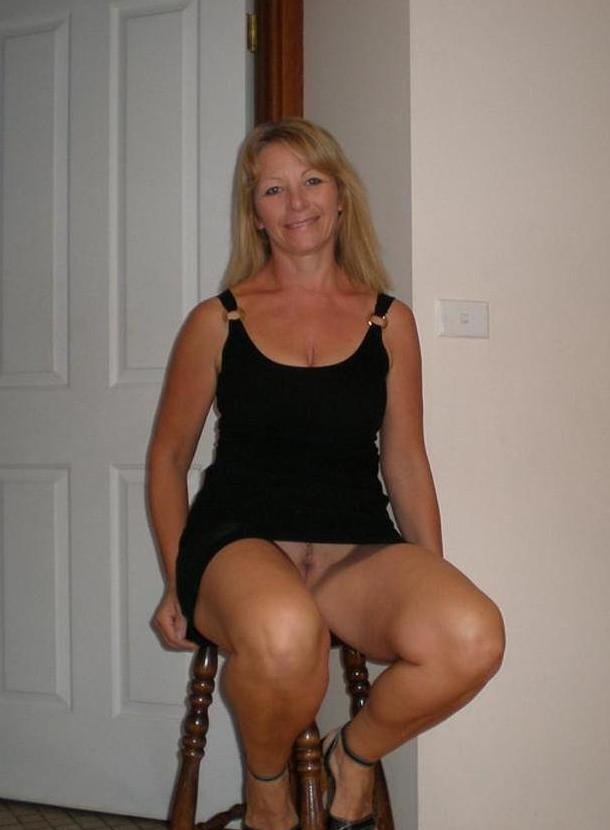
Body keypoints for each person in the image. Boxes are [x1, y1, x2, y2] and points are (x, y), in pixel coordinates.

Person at [146, 117, 505, 830]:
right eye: (273, 189)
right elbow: (167, 458)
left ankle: (353, 757)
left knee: (472, 634)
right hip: (241, 543)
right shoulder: (218, 320)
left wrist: (428, 570)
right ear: (255, 214)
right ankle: (268, 791)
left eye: (311, 180)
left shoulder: (388, 322)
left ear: (341, 195)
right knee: (286, 628)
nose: (297, 202)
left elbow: (405, 459)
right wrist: (176, 579)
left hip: (354, 545)